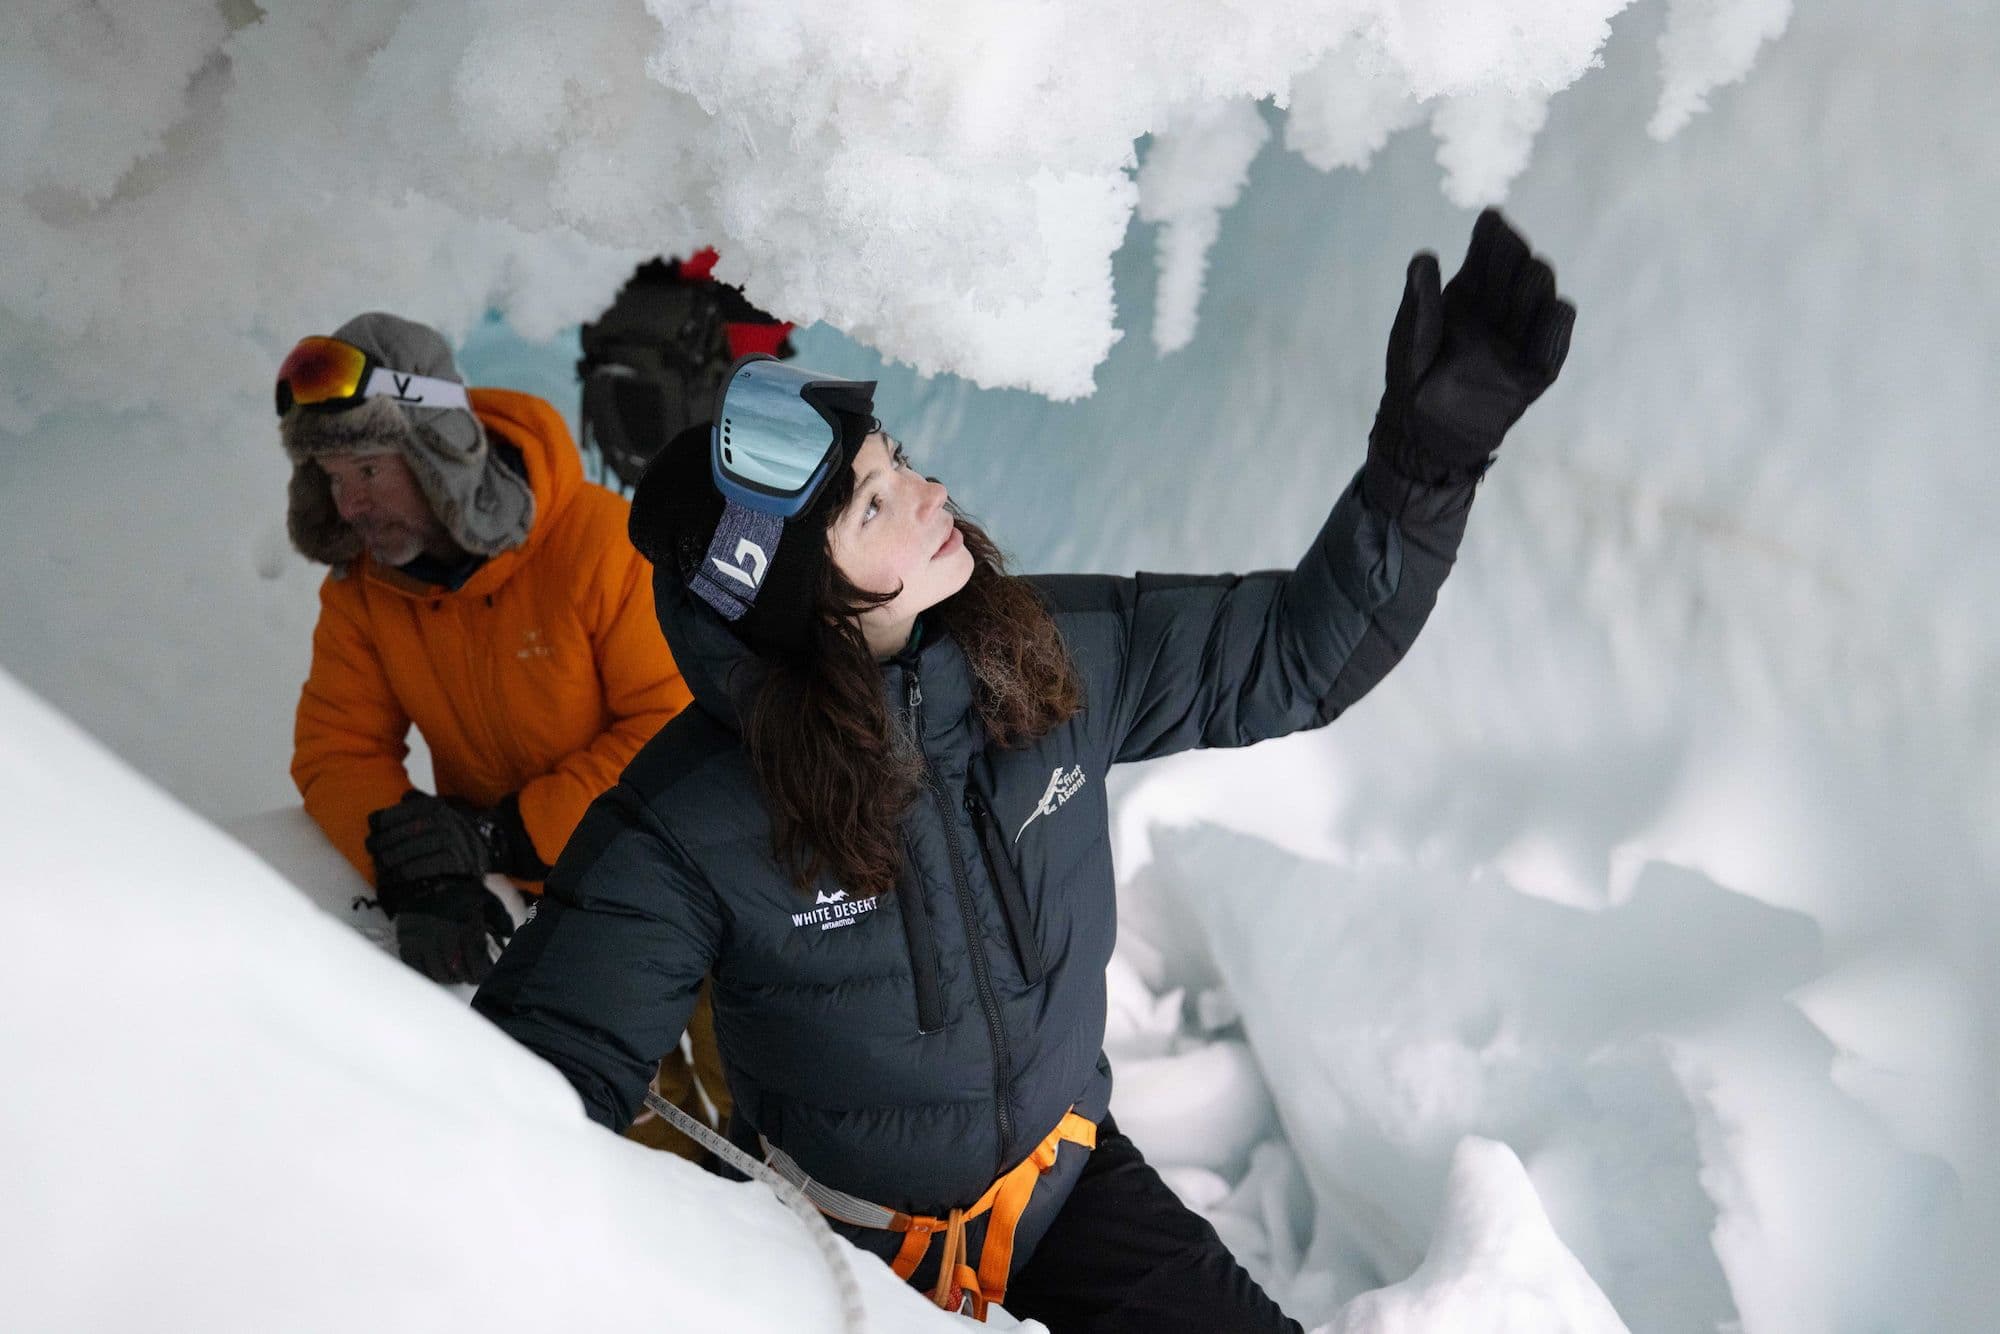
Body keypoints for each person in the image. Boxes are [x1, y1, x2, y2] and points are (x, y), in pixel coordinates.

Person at [474, 210, 1575, 1329]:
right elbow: (531, 1094)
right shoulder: (692, 816)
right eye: (873, 505)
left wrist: (1425, 463)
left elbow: (1296, 653)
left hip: (1067, 1180)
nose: (928, 493)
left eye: (894, 461)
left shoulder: (1034, 656)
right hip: (840, 1247)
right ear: (790, 598)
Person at [277, 311, 730, 1158]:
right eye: (333, 477)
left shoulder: (599, 542)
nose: (352, 504)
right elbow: (337, 750)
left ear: (439, 450)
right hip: (545, 908)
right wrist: (419, 869)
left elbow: (675, 727)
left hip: (691, 875)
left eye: (369, 468)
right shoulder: (364, 593)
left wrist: (502, 830)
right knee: (630, 1144)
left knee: (763, 1103)